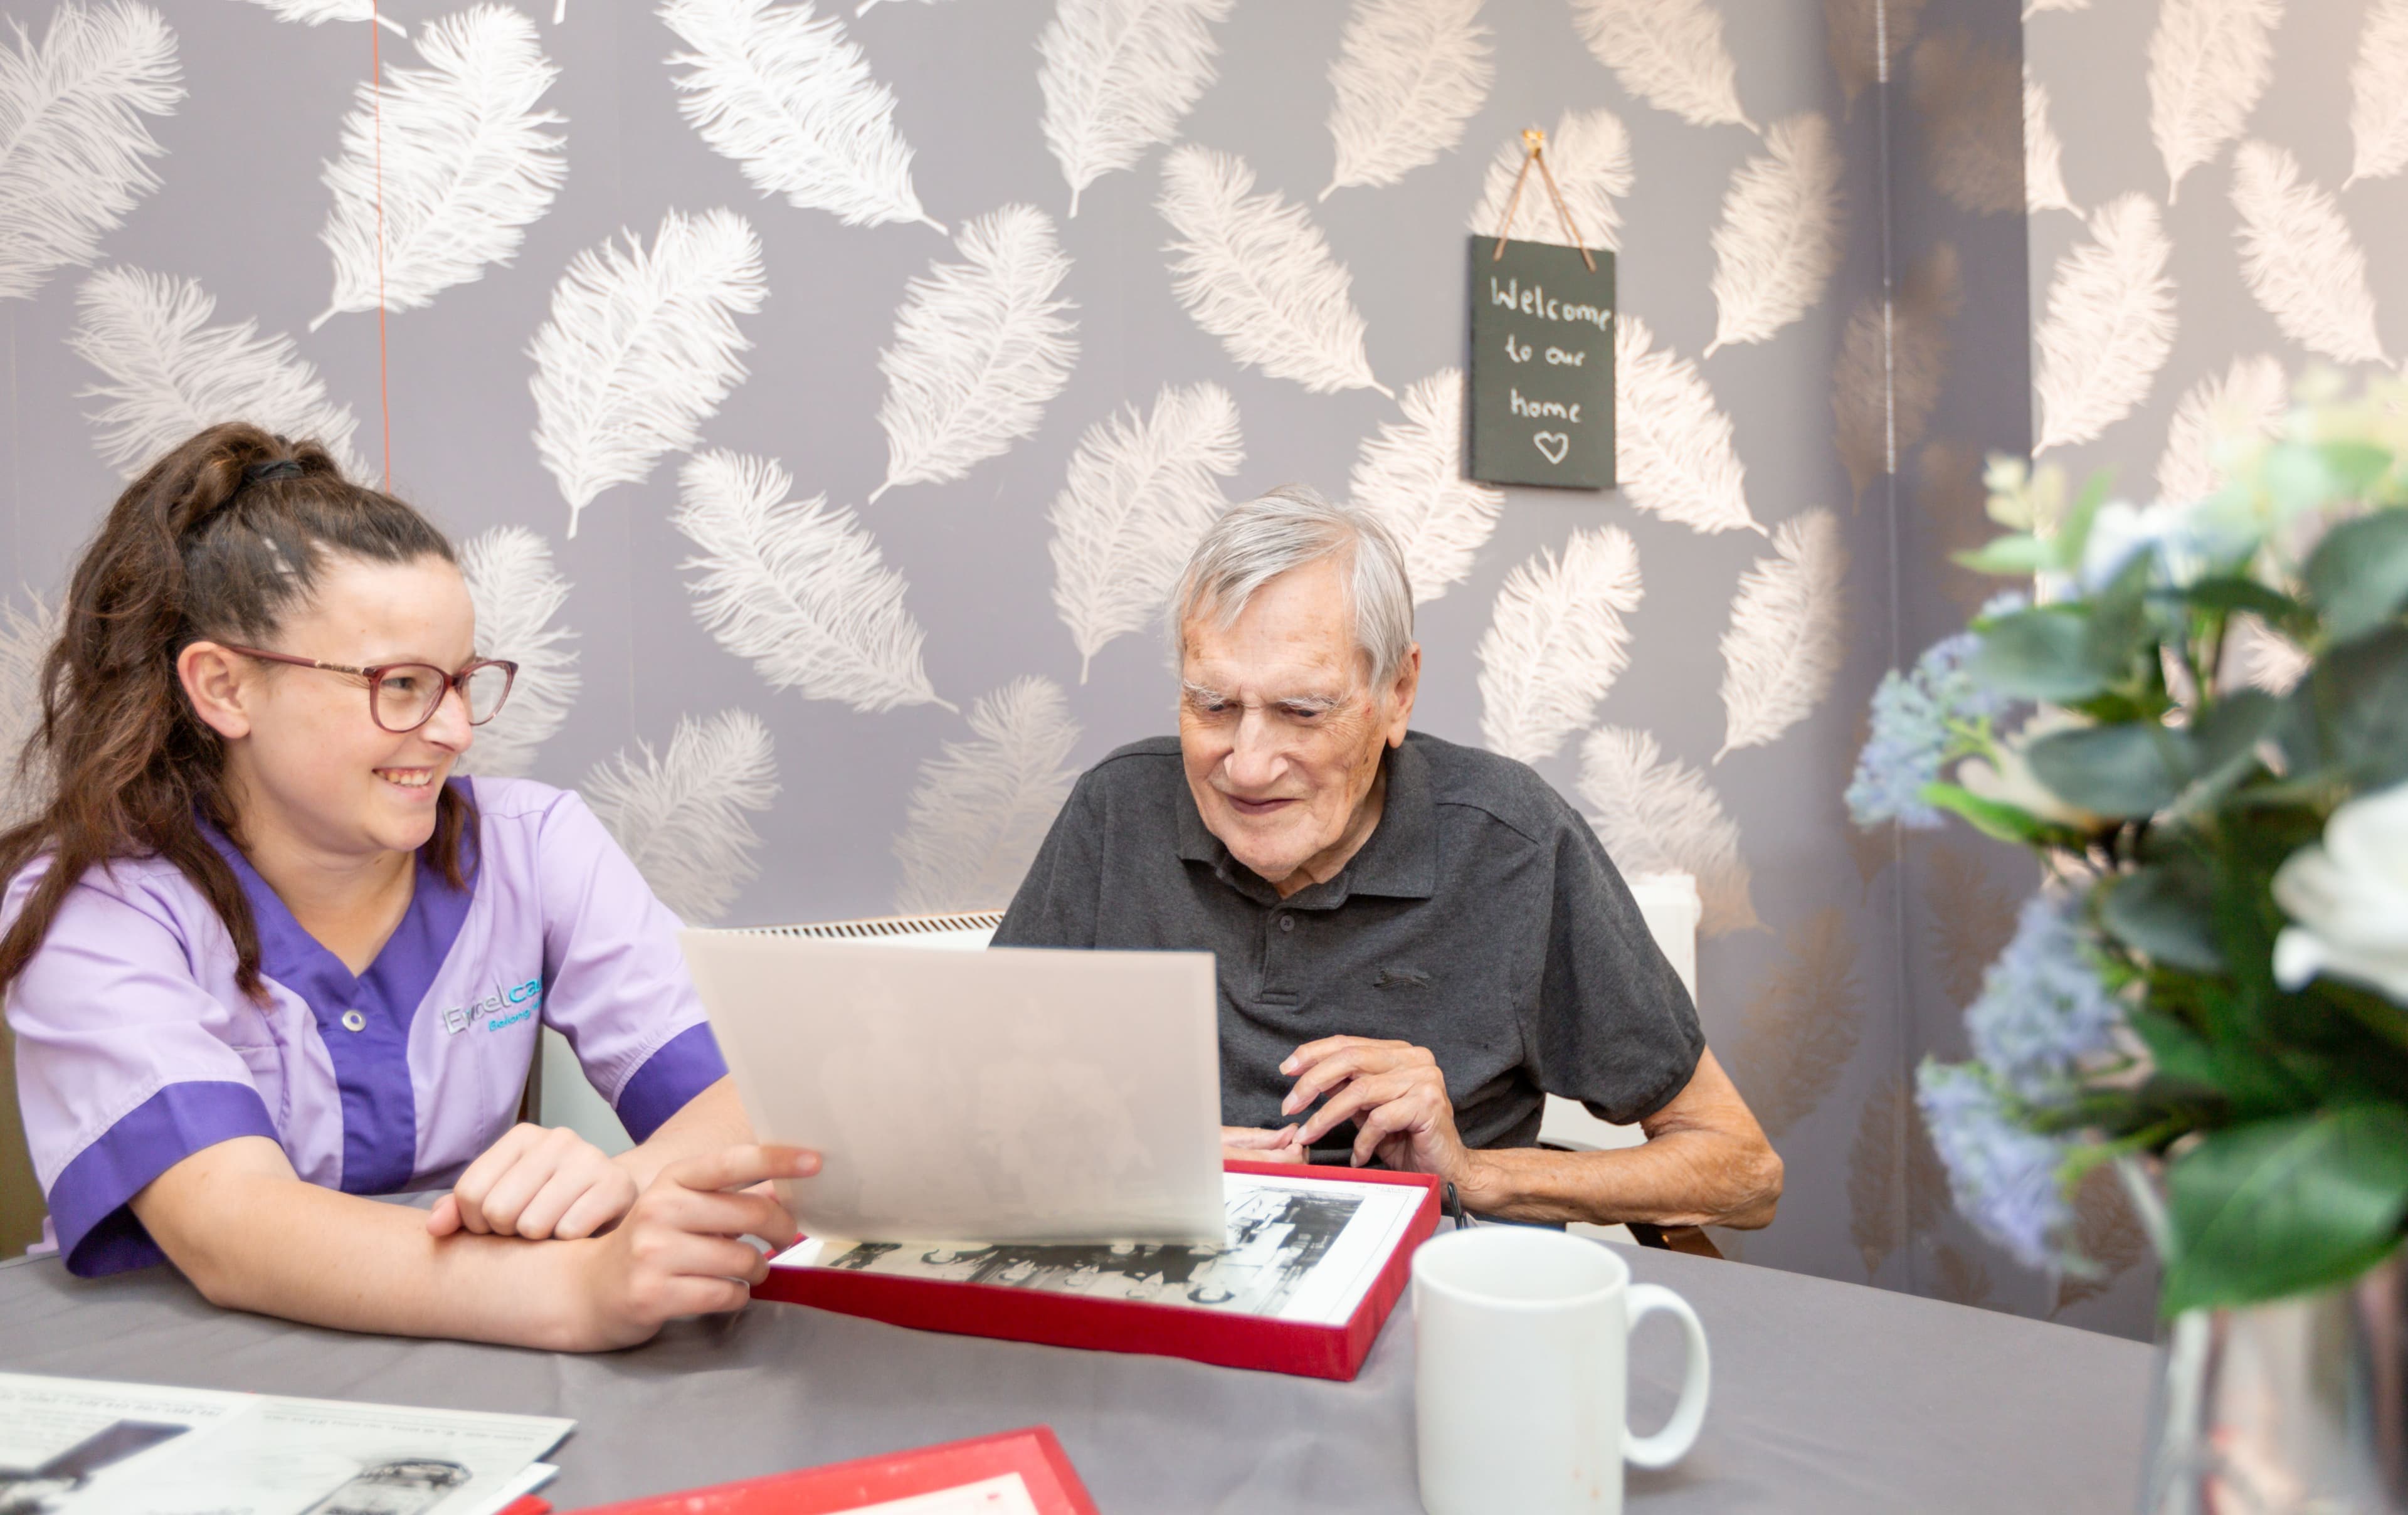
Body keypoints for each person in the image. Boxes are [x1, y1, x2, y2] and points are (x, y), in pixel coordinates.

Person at [0, 424, 812, 1350]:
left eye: (463, 682)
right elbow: (235, 1230)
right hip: (186, 1374)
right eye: (401, 685)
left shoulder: (535, 845)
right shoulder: (96, 903)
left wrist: (626, 1182)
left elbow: (752, 1099)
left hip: (474, 1356)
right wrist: (575, 1291)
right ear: (224, 687)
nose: (456, 729)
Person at [996, 485, 1783, 1233]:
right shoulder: (1116, 811)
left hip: (1423, 1316)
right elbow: (972, 1113)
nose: (1247, 763)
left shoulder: (1513, 843)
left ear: (1398, 693)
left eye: (1301, 711)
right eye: (1214, 704)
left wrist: (1472, 1175)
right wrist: (1148, 1167)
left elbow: (1742, 1171)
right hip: (1168, 1295)